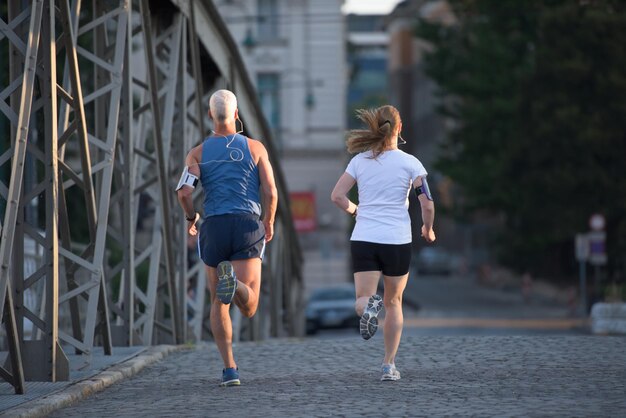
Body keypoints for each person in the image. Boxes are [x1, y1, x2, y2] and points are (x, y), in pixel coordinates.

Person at [176, 89, 277, 387]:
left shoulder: (197, 153)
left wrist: (191, 218)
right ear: (236, 115)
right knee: (249, 304)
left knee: (218, 302)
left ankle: (229, 369)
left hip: (214, 227)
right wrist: (268, 221)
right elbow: (270, 191)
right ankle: (238, 284)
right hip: (246, 225)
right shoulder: (256, 148)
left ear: (210, 115)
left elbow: (184, 192)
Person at [331, 105, 436, 382]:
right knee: (394, 302)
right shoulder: (411, 163)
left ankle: (368, 307)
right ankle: (389, 365)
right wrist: (428, 228)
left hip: (364, 237)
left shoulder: (359, 161)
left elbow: (337, 196)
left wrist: (357, 211)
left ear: (374, 128)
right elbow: (426, 203)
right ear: (400, 129)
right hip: (397, 240)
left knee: (363, 299)